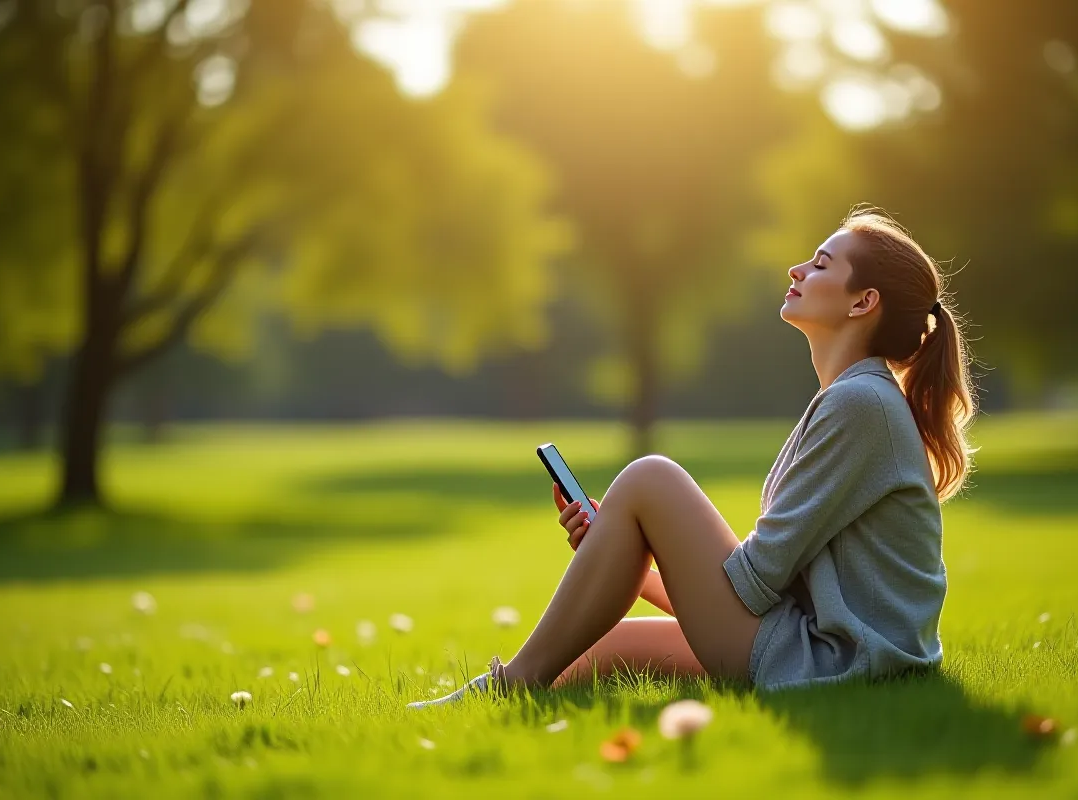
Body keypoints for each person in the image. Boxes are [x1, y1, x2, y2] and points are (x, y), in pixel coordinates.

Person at [406, 206, 977, 708]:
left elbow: (755, 585)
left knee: (651, 477)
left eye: (822, 264)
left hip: (834, 662)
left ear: (864, 301)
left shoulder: (859, 404)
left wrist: (645, 535)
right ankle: (491, 698)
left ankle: (512, 685)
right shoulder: (857, 397)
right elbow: (755, 588)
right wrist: (619, 550)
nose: (797, 270)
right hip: (817, 641)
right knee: (608, 645)